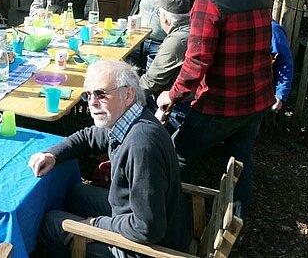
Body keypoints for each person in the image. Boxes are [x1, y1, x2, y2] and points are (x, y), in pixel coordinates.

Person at [156, 0, 274, 219]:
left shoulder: (209, 4)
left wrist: (171, 96)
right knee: (240, 162)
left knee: (180, 152)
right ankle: (234, 223)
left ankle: (177, 218)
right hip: (256, 101)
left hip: (221, 104)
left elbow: (197, 62)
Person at [29, 60, 189, 256]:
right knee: (74, 193)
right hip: (142, 216)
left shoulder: (141, 145)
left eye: (101, 94)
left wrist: (95, 225)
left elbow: (147, 228)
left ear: (128, 94)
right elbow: (89, 137)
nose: (92, 102)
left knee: (51, 223)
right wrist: (53, 154)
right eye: (88, 95)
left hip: (153, 248)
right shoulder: (130, 118)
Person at [138, 0, 192, 134]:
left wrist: (126, 96)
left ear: (166, 18)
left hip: (177, 106)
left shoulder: (177, 40)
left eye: (158, 14)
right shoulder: (193, 29)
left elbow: (152, 81)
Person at [251, 0, 294, 112]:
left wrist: (280, 96)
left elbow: (285, 63)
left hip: (260, 96)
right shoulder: (241, 24)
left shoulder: (273, 30)